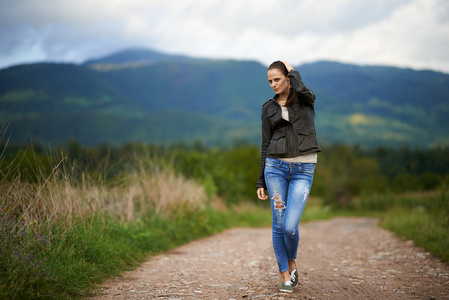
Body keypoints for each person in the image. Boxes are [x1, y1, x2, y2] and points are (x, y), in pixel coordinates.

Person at [256, 60, 321, 293]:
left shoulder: (305, 99)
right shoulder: (268, 108)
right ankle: (285, 274)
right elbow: (265, 144)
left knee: (290, 226)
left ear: (287, 78)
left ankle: (292, 261)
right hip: (275, 168)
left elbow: (306, 91)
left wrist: (294, 72)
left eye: (277, 79)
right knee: (278, 223)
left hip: (304, 168)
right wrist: (260, 179)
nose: (273, 84)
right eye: (270, 81)